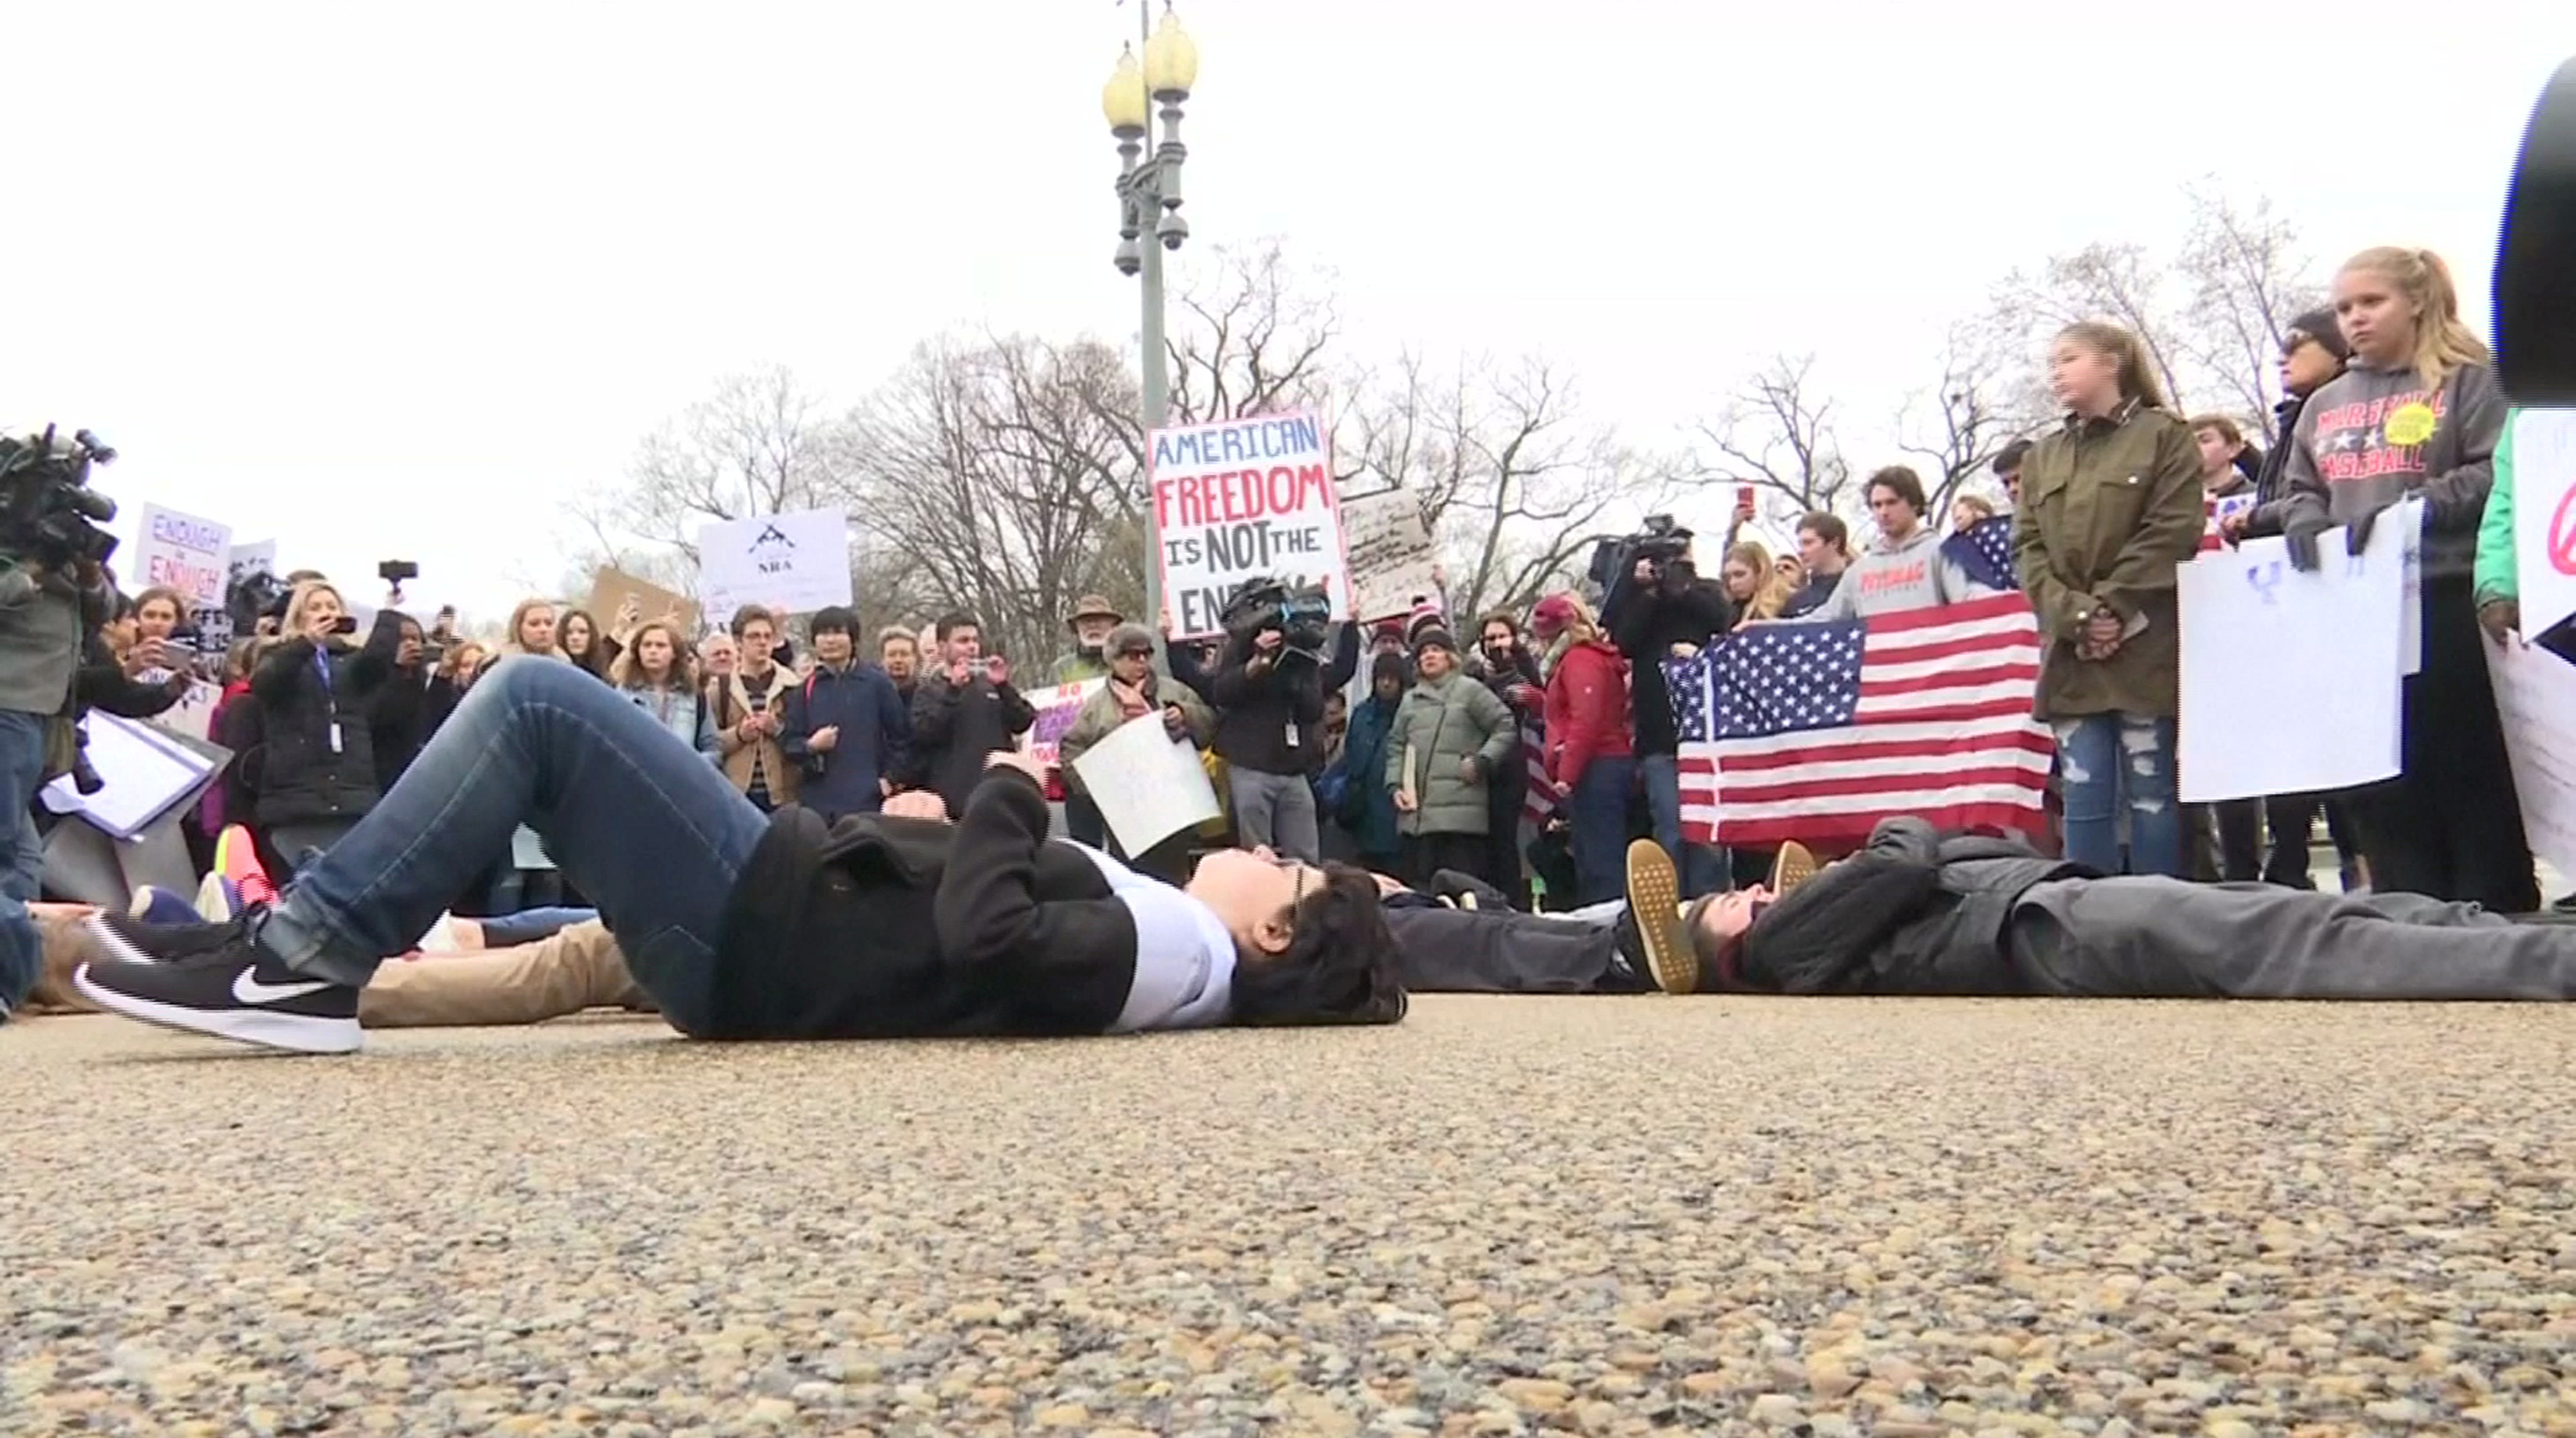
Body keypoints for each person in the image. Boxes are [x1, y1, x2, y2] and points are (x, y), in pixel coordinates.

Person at [72, 655, 1409, 1053]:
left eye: (1277, 875)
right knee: (538, 729)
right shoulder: (1167, 951)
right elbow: (983, 941)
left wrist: (1005, 793)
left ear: (1271, 931)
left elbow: (989, 940)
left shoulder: (1167, 947)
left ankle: (299, 960)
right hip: (776, 908)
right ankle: (286, 942)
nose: (1244, 857)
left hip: (764, 917)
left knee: (537, 700)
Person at [2274, 246, 2533, 914]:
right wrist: (2307, 521)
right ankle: (2406, 908)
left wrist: (2412, 510)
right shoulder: (2324, 403)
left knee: (2466, 764)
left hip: (2445, 596)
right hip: (2356, 609)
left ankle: (2494, 903)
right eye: (2343, 308)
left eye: (2370, 302)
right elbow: (2300, 486)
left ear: (2415, 301)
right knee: (2381, 775)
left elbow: (2494, 472)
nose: (2354, 319)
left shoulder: (2473, 381)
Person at [1630, 821, 2576, 1002]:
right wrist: (1886, 830)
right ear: (1720, 946)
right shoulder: (1783, 947)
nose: (1752, 889)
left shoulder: (1795, 930)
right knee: (2295, 943)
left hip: (2050, 909)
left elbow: (1952, 857)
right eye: (1727, 901)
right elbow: (1909, 855)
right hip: (2054, 929)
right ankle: (2546, 966)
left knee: (2304, 913)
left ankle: (2540, 934)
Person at [2012, 322, 2205, 878]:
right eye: (2051, 362)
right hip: (2073, 650)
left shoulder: (2163, 436)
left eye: (2068, 358)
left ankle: (2155, 919)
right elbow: (2026, 547)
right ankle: (2084, 923)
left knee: (2151, 792)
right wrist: (2075, 616)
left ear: (2112, 361)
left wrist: (2112, 607)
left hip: (2143, 641)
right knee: (2083, 792)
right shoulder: (2045, 455)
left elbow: (2172, 529)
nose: (2055, 371)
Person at [247, 582, 409, 867]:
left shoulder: (349, 659)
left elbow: (376, 662)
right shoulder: (278, 654)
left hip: (351, 796)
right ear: (299, 615)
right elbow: (266, 683)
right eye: (316, 608)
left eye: (332, 607)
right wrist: (307, 643)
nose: (326, 613)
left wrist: (389, 614)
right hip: (296, 798)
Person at [1056, 623, 1215, 883]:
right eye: (1132, 655)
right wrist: (1096, 790)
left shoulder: (1174, 692)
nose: (1141, 661)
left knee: (1175, 880)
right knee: (1131, 881)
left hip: (1174, 804)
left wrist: (1186, 715)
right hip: (1126, 813)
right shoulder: (1096, 706)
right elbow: (1072, 749)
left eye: (1147, 654)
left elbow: (1210, 724)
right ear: (1114, 659)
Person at [1384, 628, 1515, 890]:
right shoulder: (1410, 700)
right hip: (1418, 819)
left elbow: (1505, 725)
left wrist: (1484, 760)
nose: (1429, 656)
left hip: (1461, 819)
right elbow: (1396, 746)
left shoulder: (1471, 691)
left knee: (1463, 891)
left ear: (1450, 657)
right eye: (1423, 652)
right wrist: (1395, 786)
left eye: (1436, 650)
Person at [1537, 593, 1632, 907]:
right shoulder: (1589, 658)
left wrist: (1567, 773)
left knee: (1600, 862)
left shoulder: (1581, 660)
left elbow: (1586, 718)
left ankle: (1608, 932)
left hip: (1598, 766)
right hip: (1601, 764)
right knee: (1595, 858)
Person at [1794, 467, 1986, 621]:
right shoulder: (1860, 570)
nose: (1883, 512)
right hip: (1879, 667)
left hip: (1934, 664)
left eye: (1891, 502)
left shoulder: (1942, 551)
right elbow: (1827, 617)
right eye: (1877, 505)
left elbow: (1971, 600)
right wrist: (1769, 627)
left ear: (1914, 504)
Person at [779, 606, 911, 823]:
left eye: (838, 632)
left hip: (866, 803)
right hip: (819, 805)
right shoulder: (807, 688)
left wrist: (889, 779)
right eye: (823, 634)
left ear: (853, 639)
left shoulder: (877, 684)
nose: (830, 640)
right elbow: (789, 743)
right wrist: (811, 746)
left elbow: (902, 739)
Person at [909, 611, 1035, 822]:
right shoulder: (930, 690)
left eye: (975, 640)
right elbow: (925, 734)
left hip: (997, 797)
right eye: (963, 641)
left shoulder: (991, 685)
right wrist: (954, 690)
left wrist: (1004, 686)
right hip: (953, 803)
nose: (972, 647)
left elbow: (1023, 722)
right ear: (942, 647)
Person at [1782, 513, 1850, 619]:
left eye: (1808, 543)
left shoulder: (1860, 589)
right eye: (1800, 544)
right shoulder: (1795, 602)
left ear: (1834, 543)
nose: (1801, 551)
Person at [1055, 595, 1125, 684]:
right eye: (1086, 621)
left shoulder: (1127, 664)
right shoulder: (1062, 668)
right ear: (1077, 628)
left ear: (1113, 627)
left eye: (1100, 620)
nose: (1093, 626)